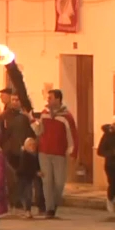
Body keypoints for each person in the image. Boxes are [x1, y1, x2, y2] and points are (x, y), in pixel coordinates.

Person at [32, 89, 78, 218]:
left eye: (50, 98)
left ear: (58, 99)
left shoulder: (66, 116)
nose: (48, 100)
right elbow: (39, 130)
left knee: (59, 183)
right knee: (47, 181)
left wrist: (72, 151)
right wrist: (32, 122)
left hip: (59, 154)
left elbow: (72, 135)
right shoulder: (44, 114)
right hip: (44, 152)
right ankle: (50, 209)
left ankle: (55, 202)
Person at [17, 137, 44, 219]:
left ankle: (27, 210)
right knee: (23, 193)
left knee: (28, 194)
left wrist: (37, 171)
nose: (32, 147)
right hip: (22, 177)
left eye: (33, 145)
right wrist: (36, 172)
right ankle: (25, 209)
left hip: (29, 178)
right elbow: (24, 168)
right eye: (29, 145)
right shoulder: (24, 155)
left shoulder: (35, 156)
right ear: (25, 146)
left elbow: (36, 166)